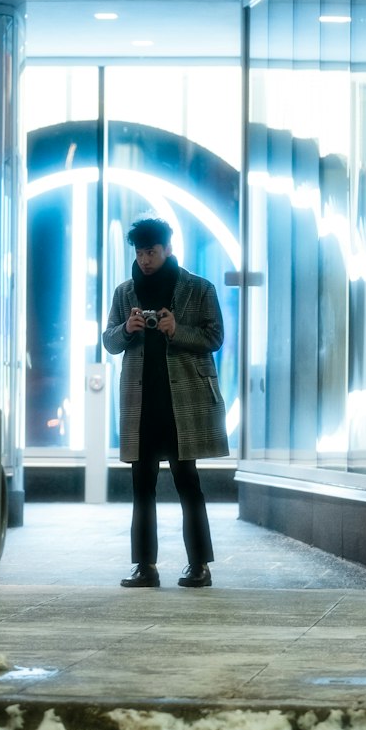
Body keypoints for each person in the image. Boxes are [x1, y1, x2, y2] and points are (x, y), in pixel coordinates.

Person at [103, 216, 229, 589]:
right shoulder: (126, 293)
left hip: (182, 400)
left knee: (187, 481)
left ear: (167, 249)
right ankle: (144, 565)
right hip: (141, 402)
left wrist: (177, 330)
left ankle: (199, 566)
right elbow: (109, 342)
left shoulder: (198, 288)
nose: (145, 260)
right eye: (140, 253)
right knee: (141, 485)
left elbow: (215, 336)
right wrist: (127, 329)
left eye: (151, 252)